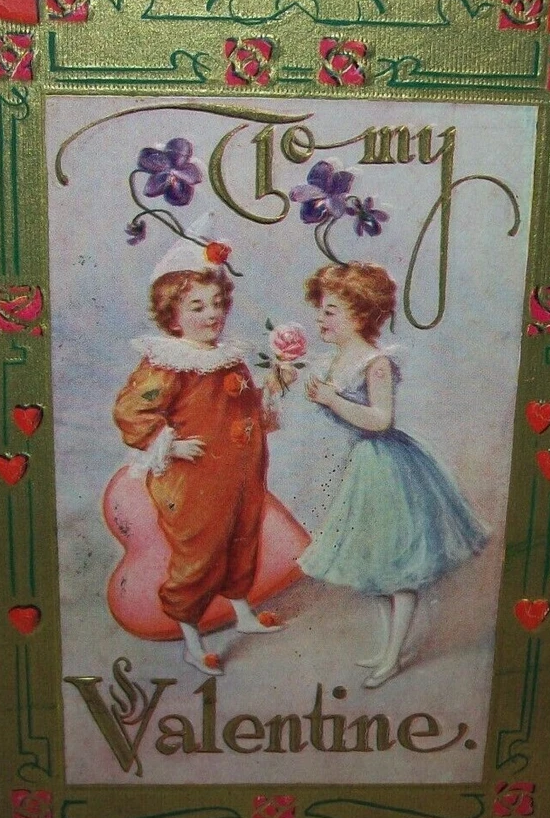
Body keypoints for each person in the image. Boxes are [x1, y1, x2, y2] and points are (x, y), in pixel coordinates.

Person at [300, 262, 489, 688]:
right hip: (363, 467)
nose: (320, 319)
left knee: (398, 565)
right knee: (375, 564)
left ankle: (392, 657)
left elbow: (381, 419)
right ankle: (389, 647)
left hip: (389, 469)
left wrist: (332, 400)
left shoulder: (376, 363)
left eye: (330, 311)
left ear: (360, 315)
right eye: (320, 310)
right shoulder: (337, 359)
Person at [113, 240, 291, 676]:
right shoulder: (166, 363)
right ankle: (192, 641)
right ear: (172, 317)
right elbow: (131, 411)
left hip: (241, 471)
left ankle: (242, 613)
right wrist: (170, 445)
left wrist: (274, 386)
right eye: (197, 307)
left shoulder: (228, 358)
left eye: (216, 304)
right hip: (193, 479)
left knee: (243, 538)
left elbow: (244, 408)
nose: (212, 315)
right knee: (201, 553)